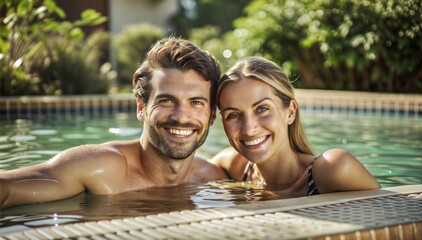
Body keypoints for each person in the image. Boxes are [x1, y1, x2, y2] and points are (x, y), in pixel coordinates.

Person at [0, 37, 227, 209]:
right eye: (166, 100)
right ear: (141, 107)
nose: (181, 116)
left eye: (196, 102)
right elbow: (7, 190)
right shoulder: (101, 168)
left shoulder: (210, 179)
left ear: (212, 116)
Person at [210, 56, 380, 197]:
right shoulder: (235, 165)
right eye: (233, 115)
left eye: (262, 109)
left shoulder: (334, 168)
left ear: (290, 112)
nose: (248, 129)